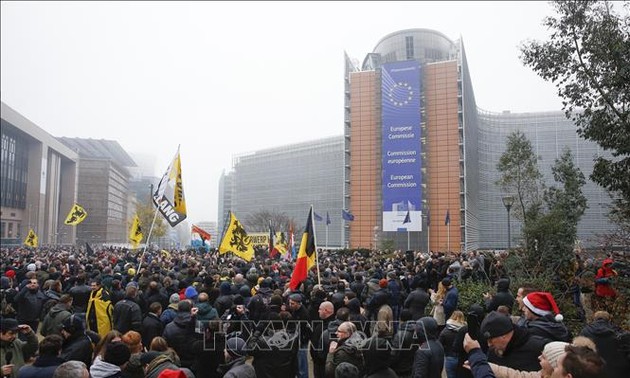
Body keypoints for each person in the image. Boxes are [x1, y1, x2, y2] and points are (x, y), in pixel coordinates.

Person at [480, 311, 546, 372]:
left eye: (491, 340)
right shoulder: (493, 353)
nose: (489, 345)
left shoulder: (539, 348)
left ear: (503, 336)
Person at [579, 310, 630, 378]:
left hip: (595, 370)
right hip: (618, 371)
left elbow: (580, 352)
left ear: (594, 319)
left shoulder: (585, 332)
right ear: (609, 319)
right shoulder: (618, 331)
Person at [439, 310, 466, 378]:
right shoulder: (465, 330)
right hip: (462, 358)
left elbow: (440, 344)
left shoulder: (445, 331)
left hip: (450, 357)